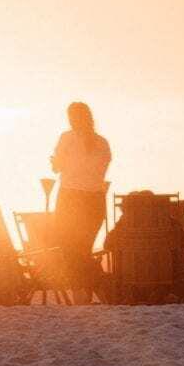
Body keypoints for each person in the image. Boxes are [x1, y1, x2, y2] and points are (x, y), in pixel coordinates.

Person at [48, 102, 111, 283]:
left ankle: (93, 290)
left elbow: (57, 167)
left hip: (71, 198)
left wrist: (55, 163)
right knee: (83, 249)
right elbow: (99, 173)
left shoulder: (67, 138)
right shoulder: (102, 142)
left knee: (69, 249)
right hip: (96, 201)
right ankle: (97, 289)